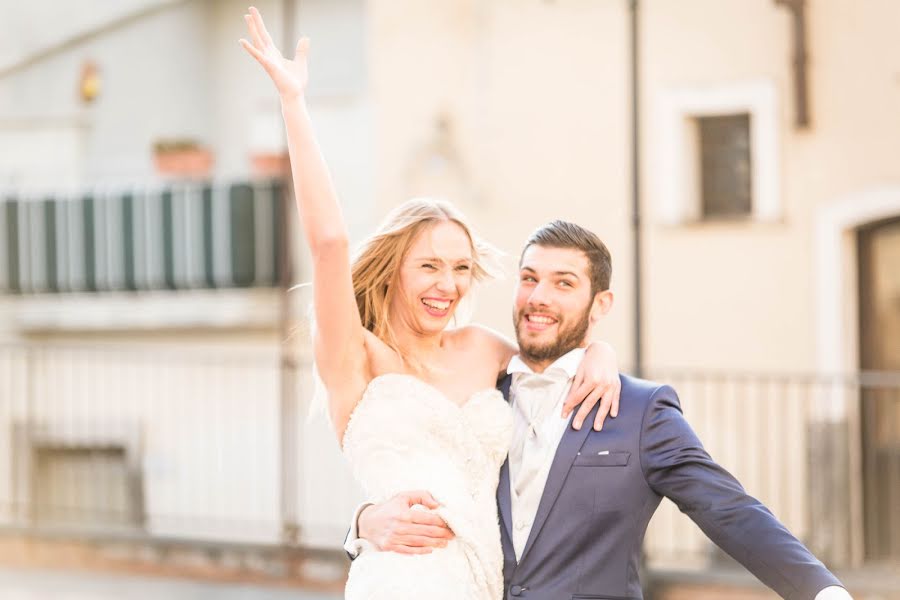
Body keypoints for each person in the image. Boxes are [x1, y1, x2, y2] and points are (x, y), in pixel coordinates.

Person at [239, 8, 623, 600]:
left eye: (461, 269)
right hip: (400, 580)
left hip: (483, 583)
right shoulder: (354, 358)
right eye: (429, 266)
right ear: (394, 271)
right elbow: (330, 243)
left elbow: (554, 352)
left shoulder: (485, 350)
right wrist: (293, 102)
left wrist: (600, 351)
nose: (448, 285)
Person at [352, 221, 853, 600]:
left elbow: (729, 511)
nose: (539, 297)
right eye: (529, 279)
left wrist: (824, 593)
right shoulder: (479, 395)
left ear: (601, 304)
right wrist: (363, 523)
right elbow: (413, 476)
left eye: (564, 283)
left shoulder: (640, 411)